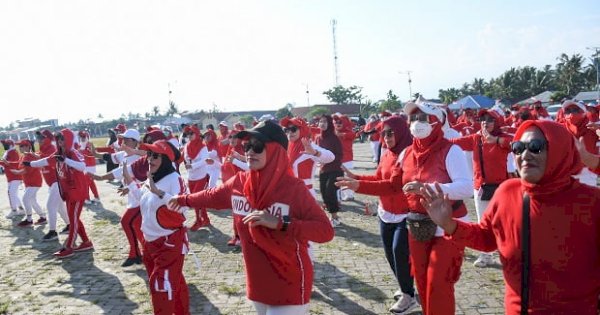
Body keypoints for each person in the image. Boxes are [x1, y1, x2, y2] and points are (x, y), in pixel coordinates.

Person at [420, 120, 600, 314]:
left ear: (560, 150)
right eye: (518, 148)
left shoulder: (592, 203)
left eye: (535, 147)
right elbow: (487, 238)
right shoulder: (508, 192)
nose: (525, 155)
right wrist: (448, 223)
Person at [168, 120, 334, 315]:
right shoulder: (239, 182)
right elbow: (211, 195)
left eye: (257, 146)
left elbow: (325, 231)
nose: (249, 152)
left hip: (289, 280)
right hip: (257, 281)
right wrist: (183, 199)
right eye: (247, 146)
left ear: (275, 151)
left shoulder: (293, 188)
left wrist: (281, 223)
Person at [335, 116, 418, 314]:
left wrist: (358, 186)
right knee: (391, 255)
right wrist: (355, 177)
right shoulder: (386, 153)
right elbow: (379, 178)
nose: (386, 137)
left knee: (400, 252)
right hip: (385, 213)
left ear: (401, 131)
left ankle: (409, 296)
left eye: (391, 132)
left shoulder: (408, 153)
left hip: (404, 213)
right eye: (383, 133)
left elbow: (393, 185)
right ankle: (406, 288)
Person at [124, 140, 190, 315]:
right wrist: (130, 182)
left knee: (161, 285)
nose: (149, 159)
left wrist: (160, 193)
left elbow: (184, 207)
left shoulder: (175, 179)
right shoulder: (152, 176)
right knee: (174, 282)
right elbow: (141, 198)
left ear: (166, 159)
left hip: (169, 243)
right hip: (150, 243)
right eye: (149, 154)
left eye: (155, 155)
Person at [449, 109, 512, 268]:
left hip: (502, 188)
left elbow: (516, 144)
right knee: (483, 222)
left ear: (497, 122)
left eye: (490, 119)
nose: (485, 122)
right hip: (481, 187)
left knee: (504, 222)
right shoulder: (476, 138)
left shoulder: (503, 138)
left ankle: (508, 253)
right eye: (483, 119)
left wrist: (495, 140)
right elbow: (454, 142)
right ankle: (486, 255)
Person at [31, 129, 92, 258]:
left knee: (73, 220)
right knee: (74, 219)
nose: (60, 141)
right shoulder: (59, 153)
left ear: (68, 139)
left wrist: (66, 160)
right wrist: (30, 163)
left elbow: (82, 166)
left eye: (62, 139)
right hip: (69, 192)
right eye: (58, 139)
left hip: (78, 192)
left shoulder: (73, 152)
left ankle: (69, 247)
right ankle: (86, 242)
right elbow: (46, 161)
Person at [30, 130, 70, 241]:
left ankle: (52, 232)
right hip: (53, 183)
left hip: (57, 182)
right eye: (38, 138)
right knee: (60, 207)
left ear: (48, 138)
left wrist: (35, 157)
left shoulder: (52, 148)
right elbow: (42, 157)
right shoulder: (43, 150)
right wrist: (34, 156)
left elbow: (48, 160)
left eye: (42, 138)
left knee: (50, 206)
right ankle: (69, 225)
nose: (39, 140)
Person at [560, 100, 599, 187]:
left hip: (588, 172)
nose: (571, 113)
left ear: (584, 113)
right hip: (567, 173)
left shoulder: (592, 128)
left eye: (575, 110)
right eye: (568, 111)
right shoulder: (560, 129)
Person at [315, 114, 344, 227]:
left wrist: (328, 160)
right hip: (323, 170)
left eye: (325, 122)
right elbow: (316, 153)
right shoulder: (317, 138)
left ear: (329, 124)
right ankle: (331, 214)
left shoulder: (334, 138)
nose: (322, 124)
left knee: (330, 192)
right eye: (321, 121)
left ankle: (335, 217)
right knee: (323, 193)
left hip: (335, 170)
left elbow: (340, 155)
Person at [181, 125, 212, 230]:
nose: (189, 136)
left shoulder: (203, 146)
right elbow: (186, 158)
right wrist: (188, 164)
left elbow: (204, 160)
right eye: (187, 134)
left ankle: (198, 221)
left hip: (201, 176)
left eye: (191, 133)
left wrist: (192, 165)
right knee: (198, 199)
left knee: (195, 200)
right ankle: (206, 219)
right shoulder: (186, 146)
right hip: (191, 176)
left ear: (197, 134)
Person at [11, 140, 47, 227]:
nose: (20, 148)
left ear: (28, 146)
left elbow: (26, 170)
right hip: (29, 183)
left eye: (22, 146)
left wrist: (17, 172)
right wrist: (7, 163)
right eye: (20, 146)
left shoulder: (30, 156)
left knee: (25, 199)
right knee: (32, 200)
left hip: (34, 182)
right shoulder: (24, 156)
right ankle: (42, 217)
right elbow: (19, 164)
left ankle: (29, 220)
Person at [333, 114, 356, 201]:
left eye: (340, 122)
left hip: (347, 160)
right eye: (335, 122)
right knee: (339, 178)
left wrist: (339, 134)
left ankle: (349, 195)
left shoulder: (349, 132)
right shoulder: (334, 132)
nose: (337, 124)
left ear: (345, 123)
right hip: (337, 160)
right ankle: (344, 194)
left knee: (347, 178)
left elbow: (351, 135)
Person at [1, 139, 24, 218]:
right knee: (13, 193)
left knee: (11, 193)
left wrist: (1, 162)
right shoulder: (9, 152)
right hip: (12, 177)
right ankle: (21, 209)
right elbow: (6, 163)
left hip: (14, 176)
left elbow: (9, 164)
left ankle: (14, 210)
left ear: (10, 145)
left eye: (5, 144)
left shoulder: (13, 152)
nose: (4, 146)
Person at [77, 130, 101, 205]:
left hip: (90, 166)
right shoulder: (80, 145)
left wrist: (81, 152)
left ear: (87, 137)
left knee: (86, 183)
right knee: (91, 183)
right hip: (85, 166)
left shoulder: (89, 144)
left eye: (84, 136)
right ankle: (97, 197)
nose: (82, 138)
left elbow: (91, 154)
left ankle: (87, 199)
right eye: (81, 136)